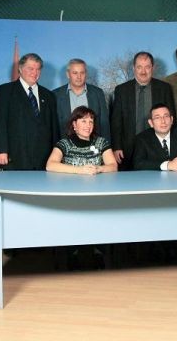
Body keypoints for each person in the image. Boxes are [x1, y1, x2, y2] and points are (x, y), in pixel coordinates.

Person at [46, 106, 117, 269]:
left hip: (97, 198)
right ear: (74, 124)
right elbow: (50, 165)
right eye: (83, 121)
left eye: (91, 121)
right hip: (70, 198)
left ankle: (93, 254)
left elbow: (113, 166)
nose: (88, 125)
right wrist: (80, 170)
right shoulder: (64, 143)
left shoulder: (101, 142)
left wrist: (99, 168)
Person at [0, 53, 59, 170]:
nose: (34, 72)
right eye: (30, 68)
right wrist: (1, 150)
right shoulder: (5, 91)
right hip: (15, 156)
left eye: (38, 69)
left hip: (44, 159)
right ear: (20, 69)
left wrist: (56, 154)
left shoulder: (49, 95)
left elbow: (54, 129)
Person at [110, 51, 176, 170]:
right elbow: (116, 121)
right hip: (127, 149)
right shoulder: (121, 90)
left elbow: (171, 119)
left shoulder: (164, 88)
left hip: (158, 148)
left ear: (153, 68)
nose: (143, 71)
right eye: (139, 67)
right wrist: (116, 147)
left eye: (147, 67)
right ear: (133, 68)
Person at [53, 58, 110, 142]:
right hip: (65, 146)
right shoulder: (55, 95)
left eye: (82, 73)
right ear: (68, 74)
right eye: (75, 73)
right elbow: (53, 127)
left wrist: (106, 146)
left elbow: (104, 124)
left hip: (93, 145)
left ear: (86, 74)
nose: (79, 77)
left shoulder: (98, 93)